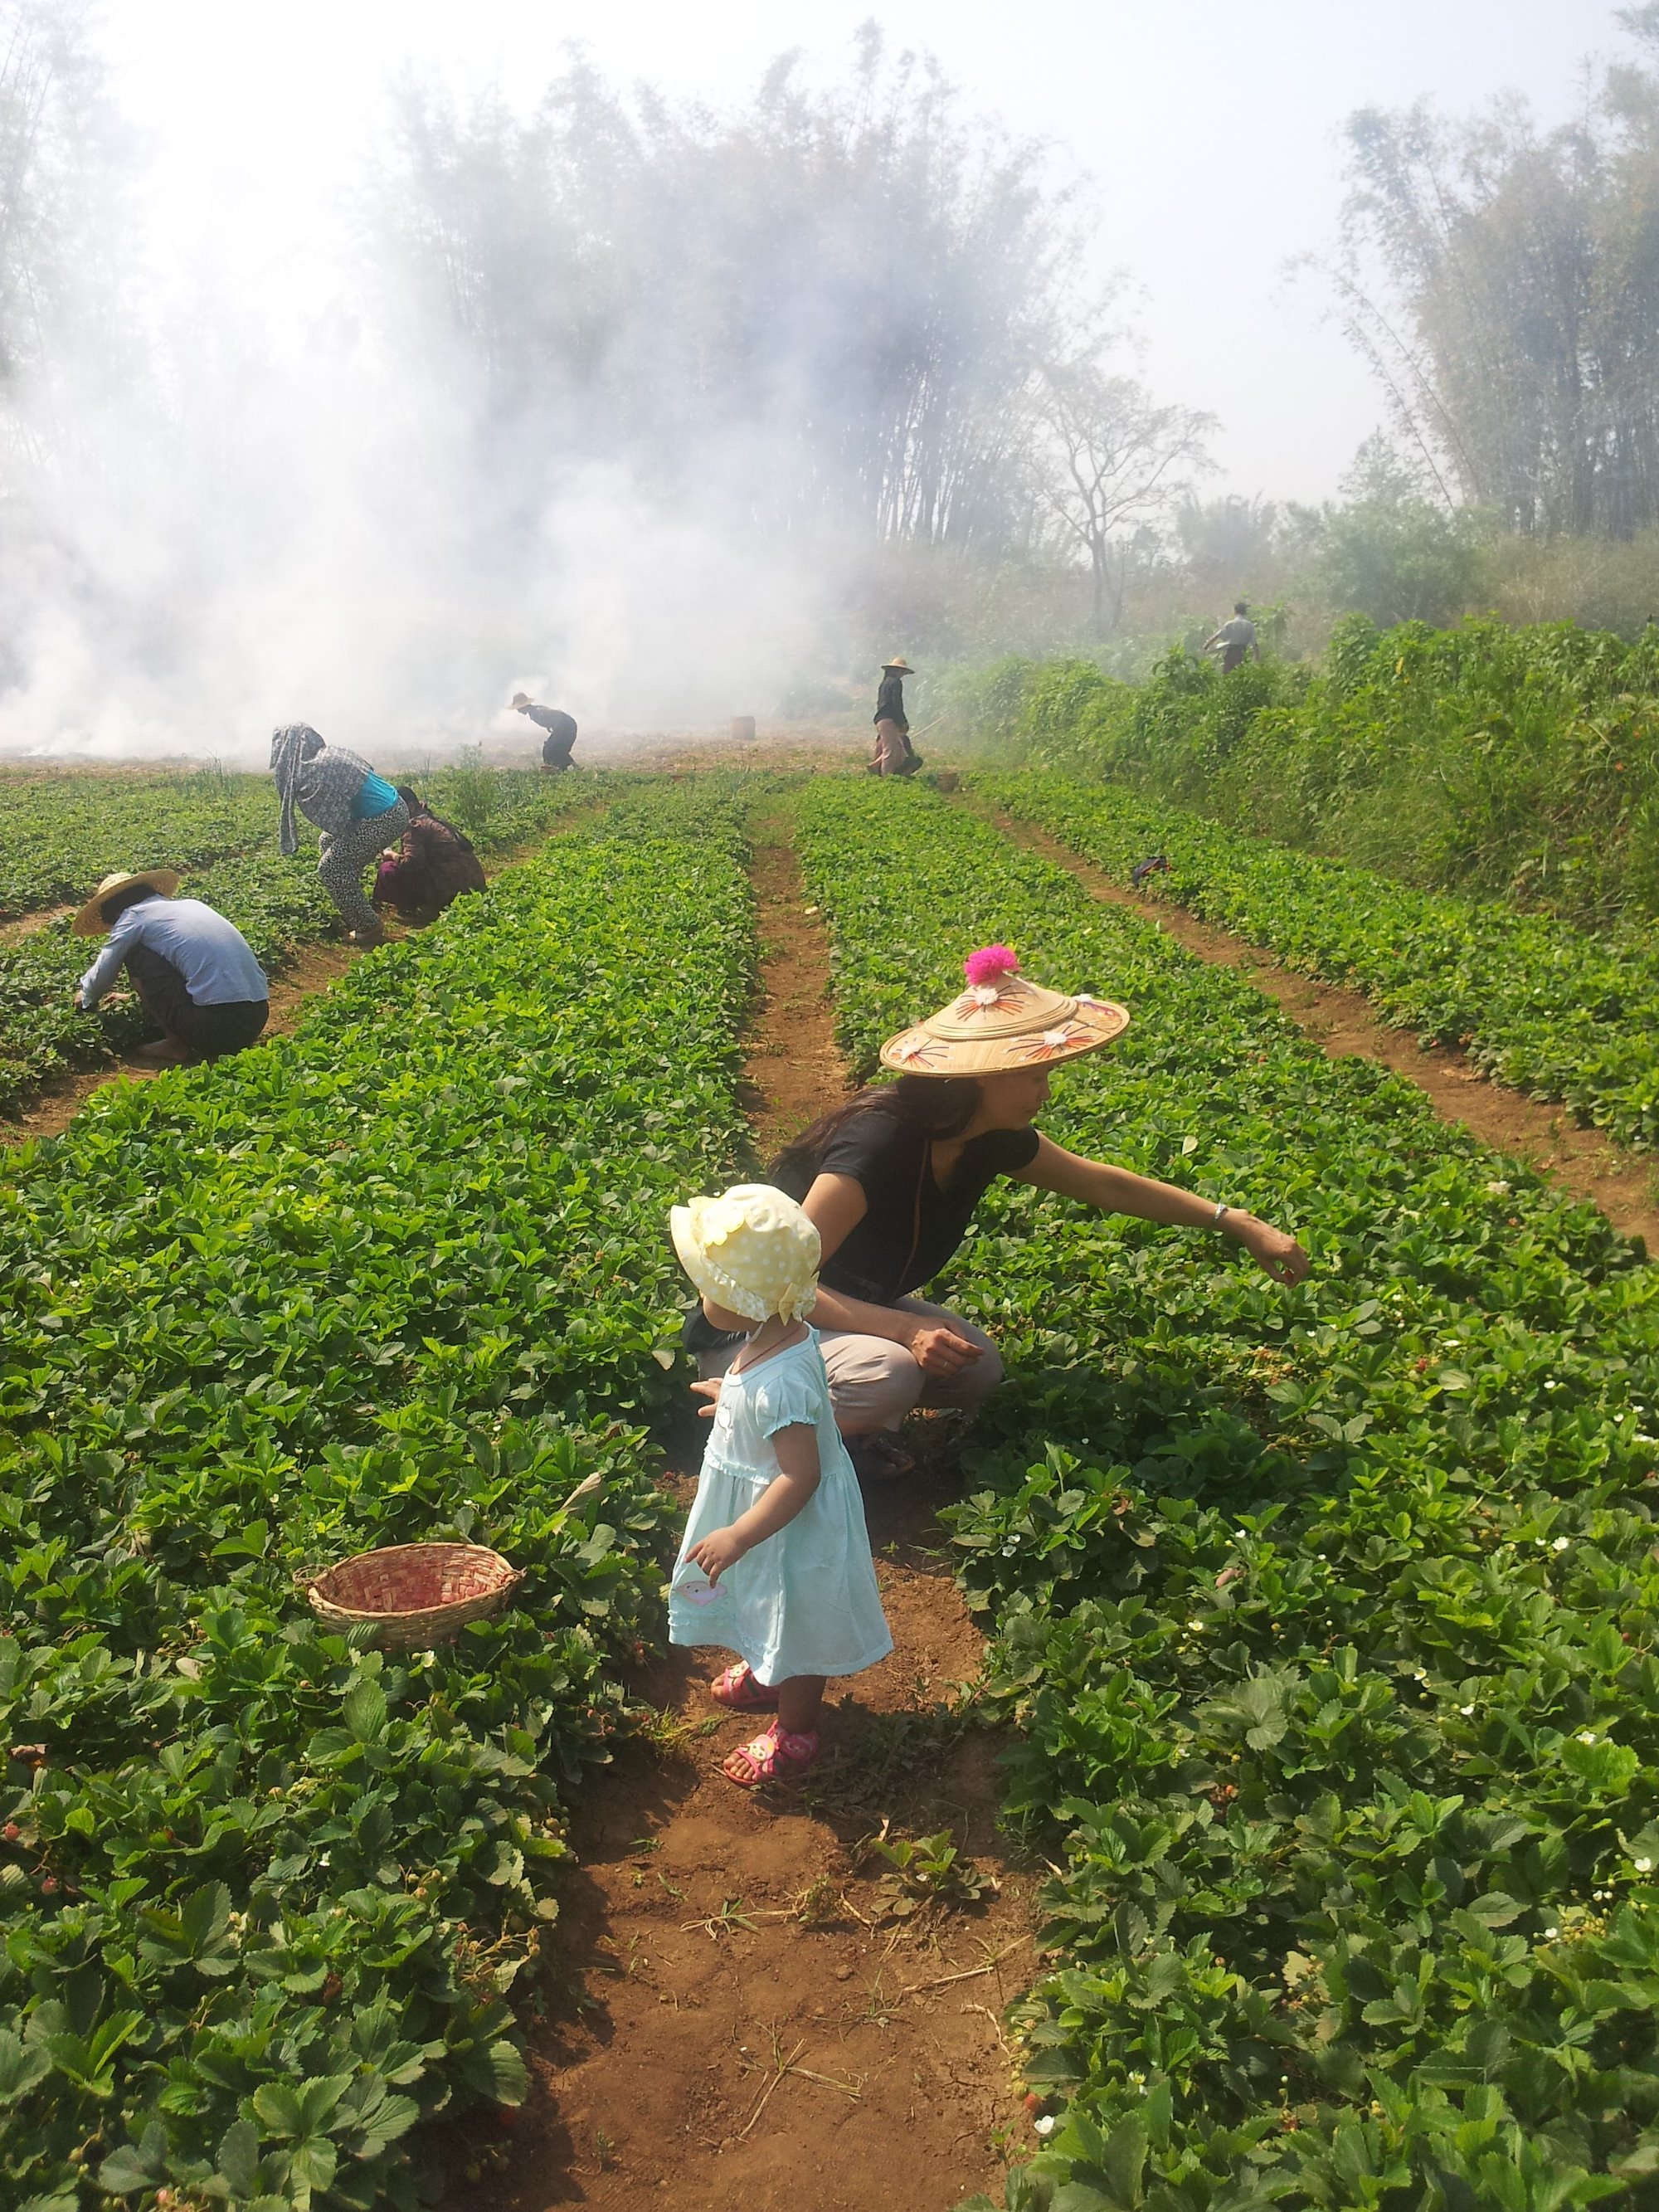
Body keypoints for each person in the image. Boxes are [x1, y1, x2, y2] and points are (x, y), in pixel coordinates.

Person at [696, 943, 1310, 1482]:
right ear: (984, 1077)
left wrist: (1237, 1221)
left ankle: (832, 1425)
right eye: (1036, 1074)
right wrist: (903, 1329)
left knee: (975, 1368)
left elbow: (1106, 1186)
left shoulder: (984, 1137)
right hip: (750, 1327)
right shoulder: (878, 1144)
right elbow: (784, 1285)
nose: (1047, 1089)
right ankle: (752, 1413)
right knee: (889, 1372)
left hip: (839, 1308)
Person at [669, 1182, 893, 1787]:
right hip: (769, 1512)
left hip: (783, 1520)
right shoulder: (775, 1337)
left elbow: (801, 1472)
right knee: (767, 1603)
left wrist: (740, 1535)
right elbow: (777, 1411)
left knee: (795, 1617)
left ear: (748, 1301)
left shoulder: (781, 1381)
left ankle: (795, 1727)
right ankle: (768, 1669)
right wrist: (734, 1401)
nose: (702, 1298)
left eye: (710, 1288)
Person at [72, 870, 269, 1067]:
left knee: (136, 955)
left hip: (216, 1029)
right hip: (257, 1016)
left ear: (114, 911)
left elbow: (105, 969)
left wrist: (86, 994)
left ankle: (175, 1045)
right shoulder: (191, 905)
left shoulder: (133, 916)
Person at [270, 724, 410, 947]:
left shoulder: (318, 767)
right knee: (327, 841)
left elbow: (336, 814)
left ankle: (368, 927)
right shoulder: (330, 754)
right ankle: (351, 899)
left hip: (382, 817)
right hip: (393, 807)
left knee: (331, 868)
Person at [372, 787, 487, 926]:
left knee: (388, 869)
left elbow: (412, 863)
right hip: (472, 883)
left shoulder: (415, 826)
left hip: (450, 887)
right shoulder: (428, 818)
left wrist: (391, 855)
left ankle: (413, 910)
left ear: (410, 807)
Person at [871, 655, 921, 777]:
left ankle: (883, 770)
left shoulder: (885, 683)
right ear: (895, 670)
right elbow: (896, 704)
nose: (902, 674)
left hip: (881, 719)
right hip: (888, 719)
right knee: (891, 751)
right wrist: (902, 721)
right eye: (900, 671)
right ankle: (886, 777)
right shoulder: (895, 682)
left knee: (897, 747)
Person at [511, 693, 579, 770]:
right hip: (566, 725)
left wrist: (556, 729)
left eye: (519, 708)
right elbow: (552, 718)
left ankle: (557, 767)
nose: (518, 710)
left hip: (566, 726)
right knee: (554, 748)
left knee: (550, 749)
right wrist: (550, 726)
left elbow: (558, 716)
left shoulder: (537, 713)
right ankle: (569, 766)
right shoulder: (535, 711)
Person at [1204, 602, 1261, 674]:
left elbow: (1217, 636)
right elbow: (1255, 645)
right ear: (1245, 612)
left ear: (1235, 611)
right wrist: (1257, 661)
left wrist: (1206, 646)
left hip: (1230, 653)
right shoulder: (1249, 625)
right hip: (1242, 653)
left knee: (1227, 675)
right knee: (1241, 674)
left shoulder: (1230, 624)